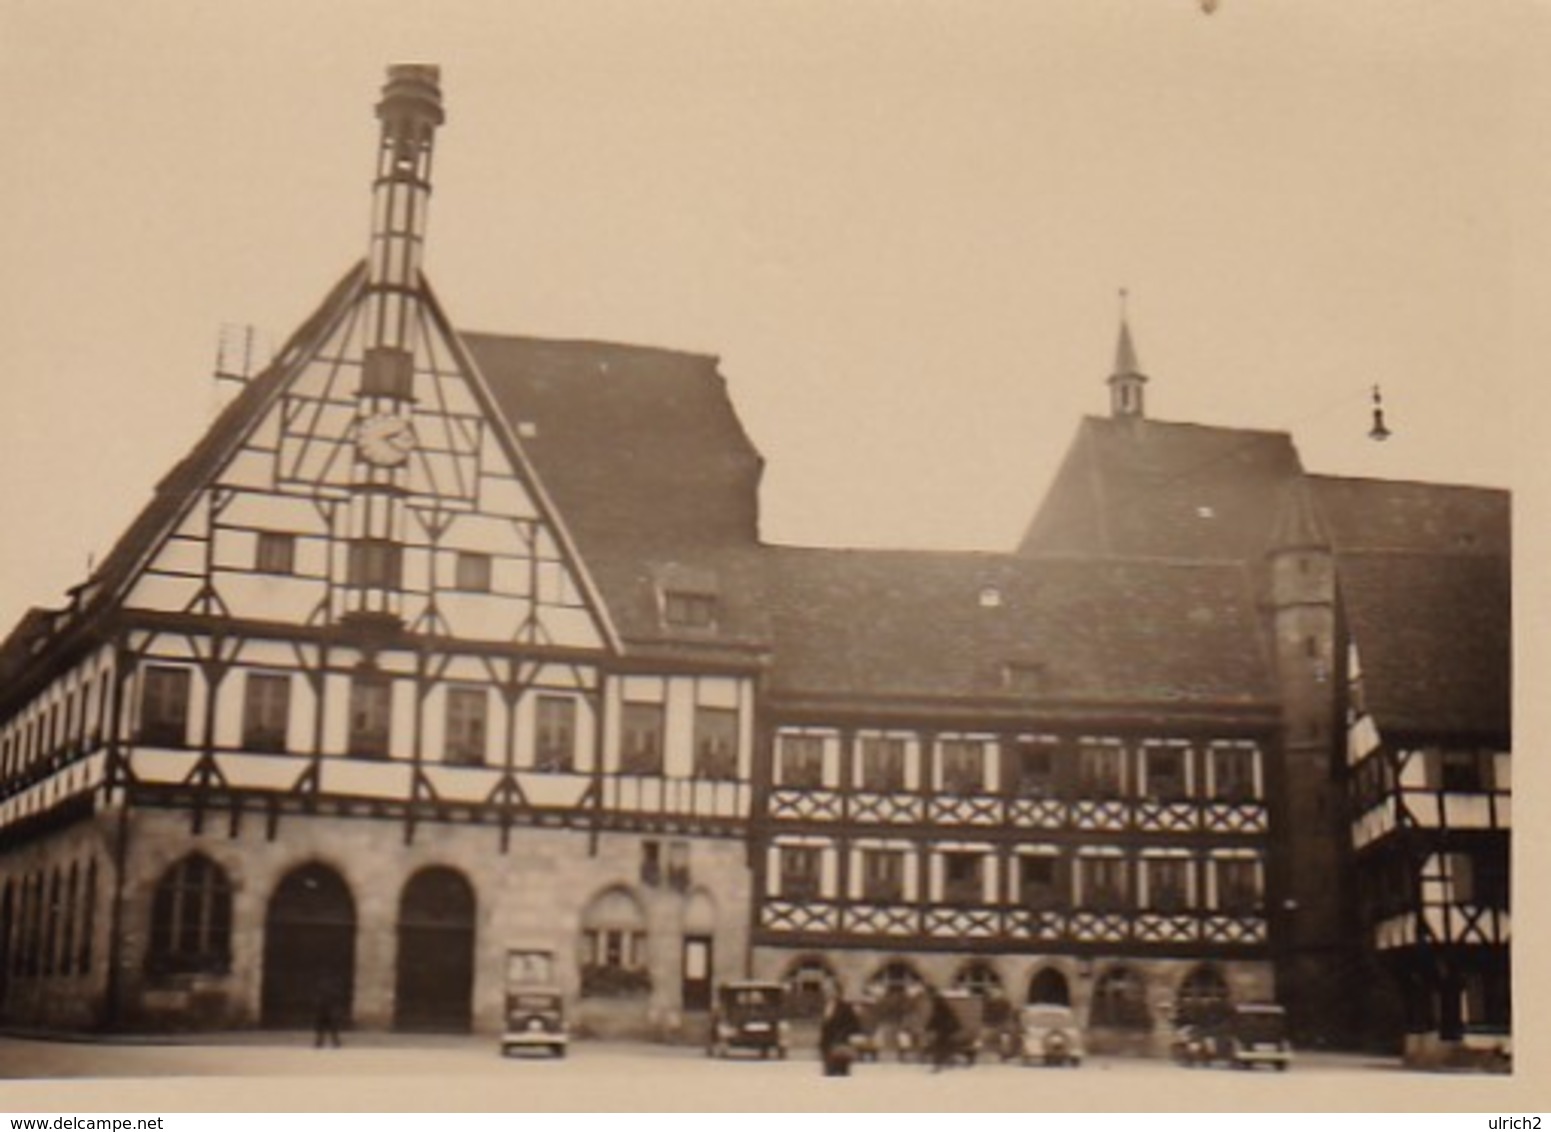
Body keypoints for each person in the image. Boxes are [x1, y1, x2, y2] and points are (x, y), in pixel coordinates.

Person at [818, 990, 863, 1077]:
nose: (827, 992)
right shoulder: (823, 1006)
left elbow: (854, 1025)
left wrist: (842, 1036)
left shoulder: (845, 1007)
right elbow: (824, 1027)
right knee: (828, 1076)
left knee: (842, 1077)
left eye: (830, 989)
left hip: (841, 1046)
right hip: (827, 1047)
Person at [923, 988, 961, 1072]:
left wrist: (929, 1027)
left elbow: (936, 1016)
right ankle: (949, 1062)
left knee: (939, 1046)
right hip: (947, 1028)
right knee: (944, 1045)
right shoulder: (940, 1002)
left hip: (944, 1028)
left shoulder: (938, 1003)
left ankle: (938, 1065)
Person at [313, 975, 343, 1049]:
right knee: (326, 1025)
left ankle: (324, 1041)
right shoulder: (333, 988)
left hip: (327, 1007)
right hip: (325, 1007)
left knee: (330, 1025)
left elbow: (337, 997)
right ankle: (328, 1041)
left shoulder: (325, 989)